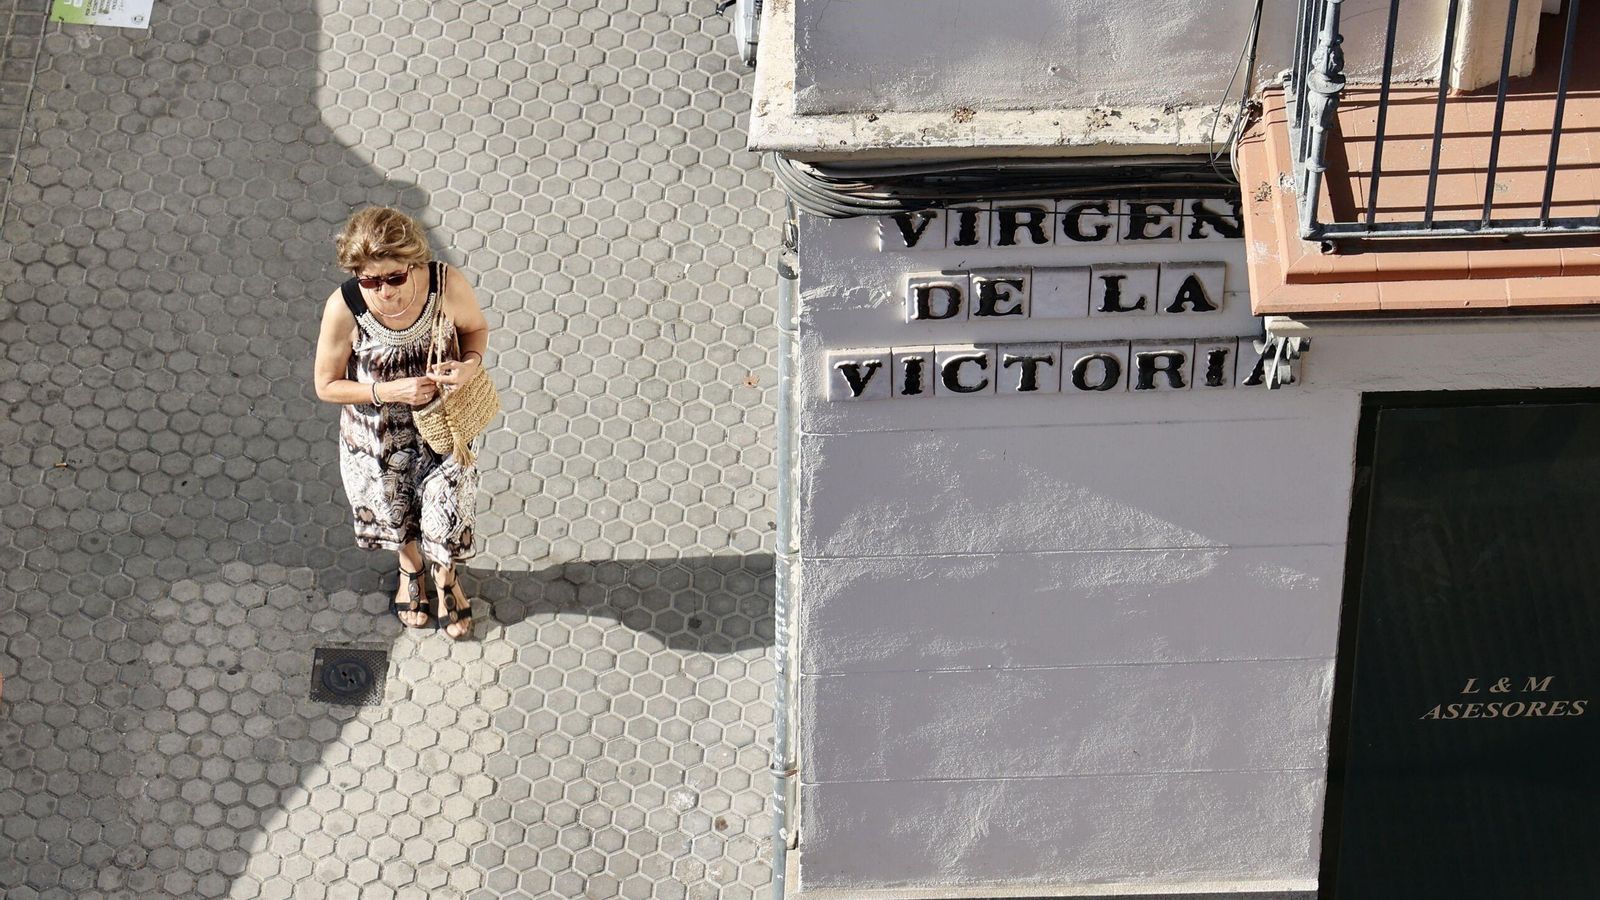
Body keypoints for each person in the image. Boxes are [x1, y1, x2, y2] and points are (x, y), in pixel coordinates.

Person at [313, 207, 489, 639]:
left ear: (413, 263)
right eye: (370, 280)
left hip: (444, 429)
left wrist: (469, 365)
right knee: (397, 515)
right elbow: (326, 385)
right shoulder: (344, 307)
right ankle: (410, 568)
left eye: (394, 277)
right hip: (376, 440)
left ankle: (446, 578)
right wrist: (387, 392)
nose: (384, 291)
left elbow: (476, 330)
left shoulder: (445, 284)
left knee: (447, 513)